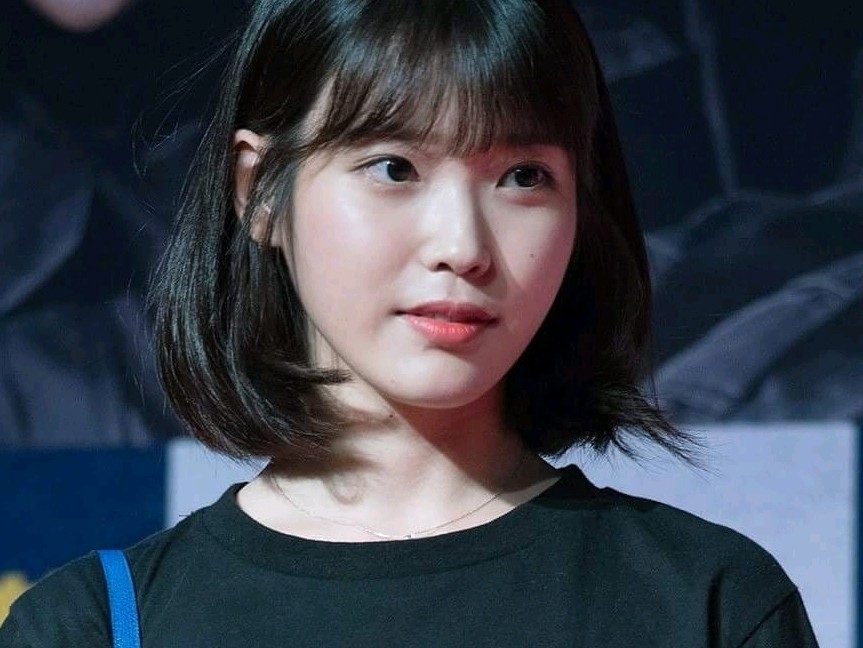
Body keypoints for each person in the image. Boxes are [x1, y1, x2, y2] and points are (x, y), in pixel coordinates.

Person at [0, 0, 820, 645]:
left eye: (523, 176)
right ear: (260, 191)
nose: (461, 247)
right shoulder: (94, 626)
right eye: (393, 168)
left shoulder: (706, 602)